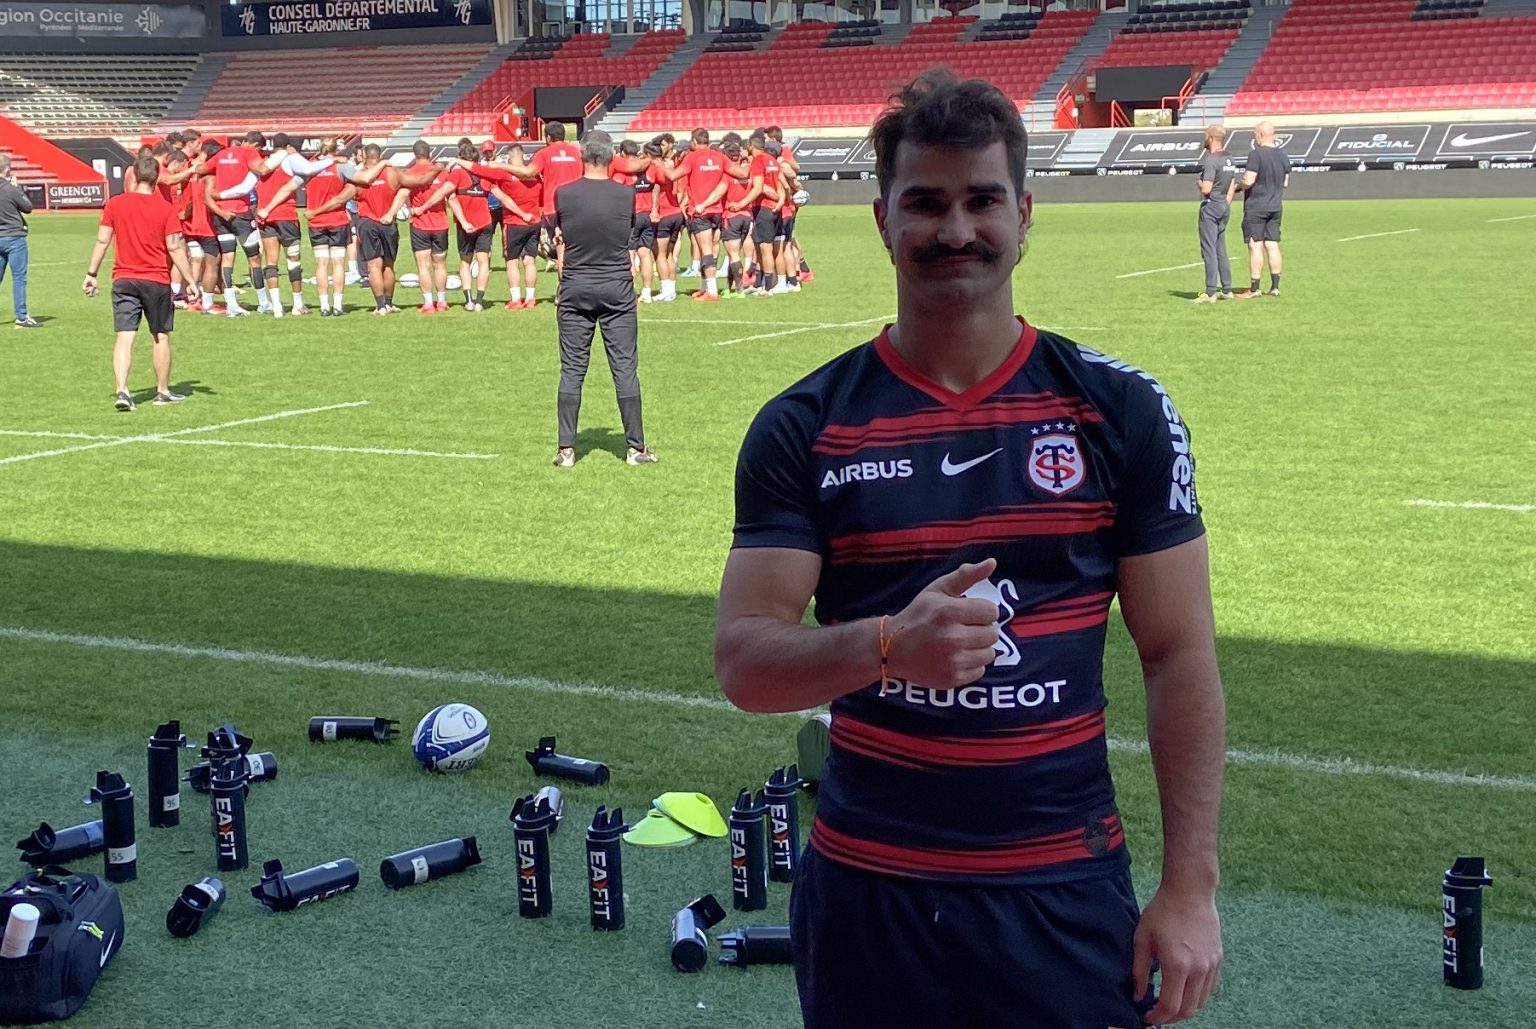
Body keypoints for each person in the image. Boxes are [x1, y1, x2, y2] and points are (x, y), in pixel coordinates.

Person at [713, 72, 1224, 1029]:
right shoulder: (805, 426)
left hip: (1061, 890)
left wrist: (1189, 886)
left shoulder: (1119, 411)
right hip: (871, 894)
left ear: (1024, 216)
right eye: (926, 203)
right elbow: (744, 661)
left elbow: (1178, 653)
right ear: (881, 219)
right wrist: (884, 649)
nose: (956, 230)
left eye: (981, 200)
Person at [550, 130, 655, 468]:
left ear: (583, 155)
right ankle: (636, 449)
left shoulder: (563, 195)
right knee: (625, 369)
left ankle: (566, 449)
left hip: (576, 287)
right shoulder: (626, 196)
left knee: (572, 370)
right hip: (616, 289)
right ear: (611, 157)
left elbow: (562, 240)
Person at [83, 155, 200, 411]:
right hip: (156, 279)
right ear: (157, 179)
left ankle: (122, 390)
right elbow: (175, 247)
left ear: (134, 176)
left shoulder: (115, 204)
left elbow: (102, 240)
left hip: (124, 278)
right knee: (160, 336)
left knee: (125, 337)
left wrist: (92, 273)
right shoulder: (165, 209)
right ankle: (162, 391)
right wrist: (191, 280)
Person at [1238, 121, 1288, 298]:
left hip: (1257, 206)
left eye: (1255, 134)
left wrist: (1238, 185)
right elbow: (1286, 182)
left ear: (1260, 134)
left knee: (1255, 245)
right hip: (1275, 206)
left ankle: (1255, 288)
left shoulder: (1256, 154)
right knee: (1273, 245)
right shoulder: (1282, 154)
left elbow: (1249, 180)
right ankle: (1275, 287)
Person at [1195, 124, 1239, 304]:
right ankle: (1227, 289)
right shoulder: (1229, 159)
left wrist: (1199, 183)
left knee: (1209, 249)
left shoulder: (1212, 160)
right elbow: (1232, 185)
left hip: (1211, 207)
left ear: (1211, 138)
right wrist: (1226, 202)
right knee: (1221, 249)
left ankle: (1210, 291)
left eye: (1205, 135)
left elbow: (1207, 188)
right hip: (1223, 206)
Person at [0, 155, 39, 328]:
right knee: (19, 278)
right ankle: (21, 316)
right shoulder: (10, 189)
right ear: (7, 169)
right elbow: (27, 207)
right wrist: (18, 188)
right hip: (14, 237)